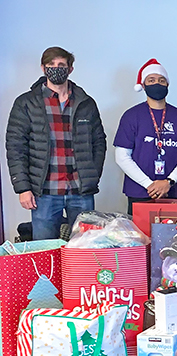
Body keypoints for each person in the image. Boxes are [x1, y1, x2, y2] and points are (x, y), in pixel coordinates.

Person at [5, 46, 106, 240]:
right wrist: (23, 188)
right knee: (45, 249)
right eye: (51, 64)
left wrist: (93, 174)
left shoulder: (86, 103)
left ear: (70, 69)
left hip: (81, 191)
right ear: (43, 68)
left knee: (84, 248)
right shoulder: (26, 103)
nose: (56, 68)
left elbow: (99, 142)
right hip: (44, 192)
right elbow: (16, 146)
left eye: (61, 65)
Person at [114, 59, 177, 215]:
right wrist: (149, 185)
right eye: (151, 80)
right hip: (140, 192)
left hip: (172, 192)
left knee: (171, 238)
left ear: (167, 85)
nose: (157, 84)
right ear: (144, 85)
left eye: (161, 80)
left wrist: (169, 182)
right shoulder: (131, 116)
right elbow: (122, 157)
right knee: (140, 237)